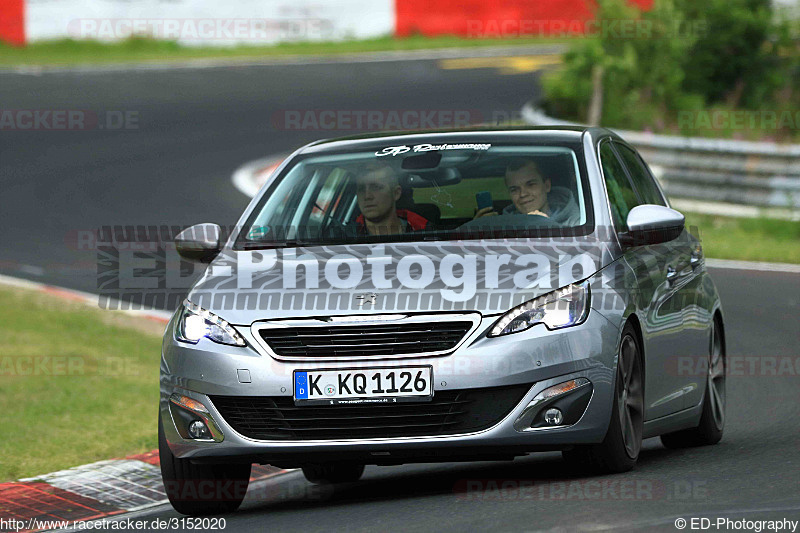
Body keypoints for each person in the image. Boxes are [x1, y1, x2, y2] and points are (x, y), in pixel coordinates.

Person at [474, 158, 581, 226]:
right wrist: (477, 229)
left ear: (547, 186)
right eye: (514, 189)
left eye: (530, 184)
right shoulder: (502, 226)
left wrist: (547, 225)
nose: (523, 194)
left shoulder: (578, 222)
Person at [354, 163, 429, 235]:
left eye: (376, 188)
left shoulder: (426, 233)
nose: (367, 196)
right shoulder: (346, 235)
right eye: (361, 189)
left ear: (396, 193)